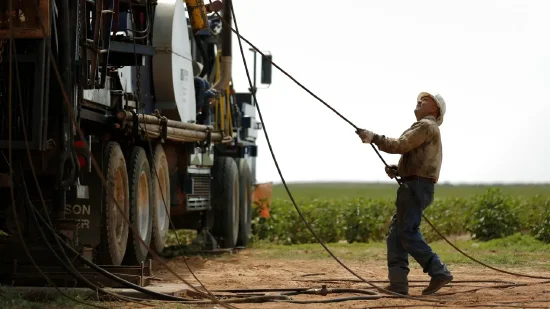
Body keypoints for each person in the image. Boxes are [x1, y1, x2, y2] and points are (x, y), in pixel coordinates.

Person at [356, 92, 453, 296]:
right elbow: (419, 160)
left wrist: (374, 138)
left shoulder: (425, 126)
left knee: (407, 233)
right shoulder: (429, 129)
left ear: (435, 110)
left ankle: (439, 271)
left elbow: (401, 145)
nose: (419, 101)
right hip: (416, 185)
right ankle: (398, 284)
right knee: (396, 236)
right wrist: (399, 170)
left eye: (425, 100)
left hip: (416, 187)